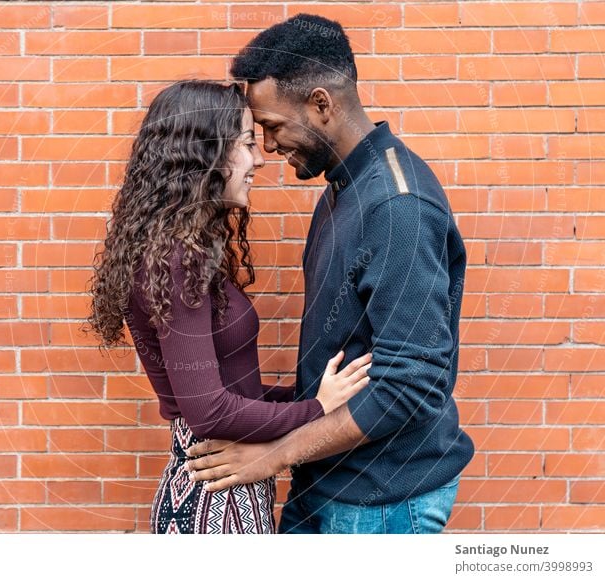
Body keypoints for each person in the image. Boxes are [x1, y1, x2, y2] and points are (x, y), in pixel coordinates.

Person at [185, 14, 475, 534]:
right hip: (328, 481)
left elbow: (411, 385)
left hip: (380, 500)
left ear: (321, 104)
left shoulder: (398, 206)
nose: (269, 148)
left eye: (272, 126)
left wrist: (273, 455)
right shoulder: (345, 187)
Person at [88, 80, 373, 534]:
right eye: (245, 144)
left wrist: (311, 395)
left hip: (228, 484)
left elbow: (236, 394)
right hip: (211, 497)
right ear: (203, 156)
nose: (259, 158)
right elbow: (210, 413)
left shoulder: (189, 253)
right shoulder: (176, 260)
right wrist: (317, 409)